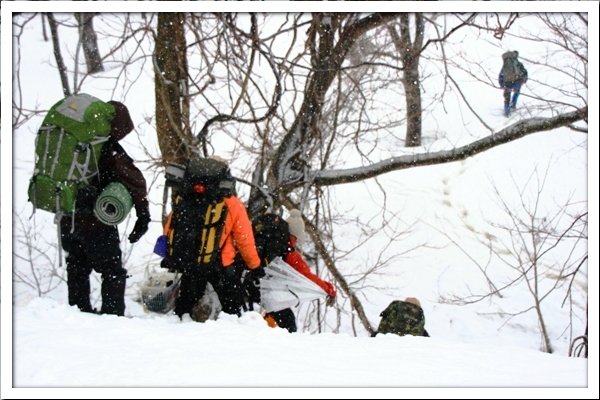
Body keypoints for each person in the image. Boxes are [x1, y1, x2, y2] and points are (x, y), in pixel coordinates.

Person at [60, 101, 151, 317]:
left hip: (66, 215)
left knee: (76, 266)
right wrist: (143, 214)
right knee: (112, 271)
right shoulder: (106, 147)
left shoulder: (73, 143)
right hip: (95, 219)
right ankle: (112, 318)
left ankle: (77, 314)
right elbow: (134, 180)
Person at [164, 156, 264, 321]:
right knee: (232, 308)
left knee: (184, 306)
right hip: (220, 264)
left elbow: (170, 227)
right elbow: (244, 239)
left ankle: (178, 332)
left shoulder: (186, 197)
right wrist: (255, 266)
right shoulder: (232, 203)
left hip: (190, 260)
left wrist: (171, 252)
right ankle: (233, 335)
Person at [261, 209, 337, 333]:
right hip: (268, 297)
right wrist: (328, 289)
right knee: (289, 326)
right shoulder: (288, 253)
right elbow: (307, 276)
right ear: (294, 236)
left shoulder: (269, 244)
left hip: (255, 287)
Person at [498, 50, 528, 117]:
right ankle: (513, 105)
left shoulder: (506, 65)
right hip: (517, 83)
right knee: (516, 92)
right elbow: (524, 72)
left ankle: (507, 111)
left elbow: (501, 75)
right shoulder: (518, 64)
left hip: (507, 84)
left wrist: (502, 84)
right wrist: (524, 80)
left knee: (507, 97)